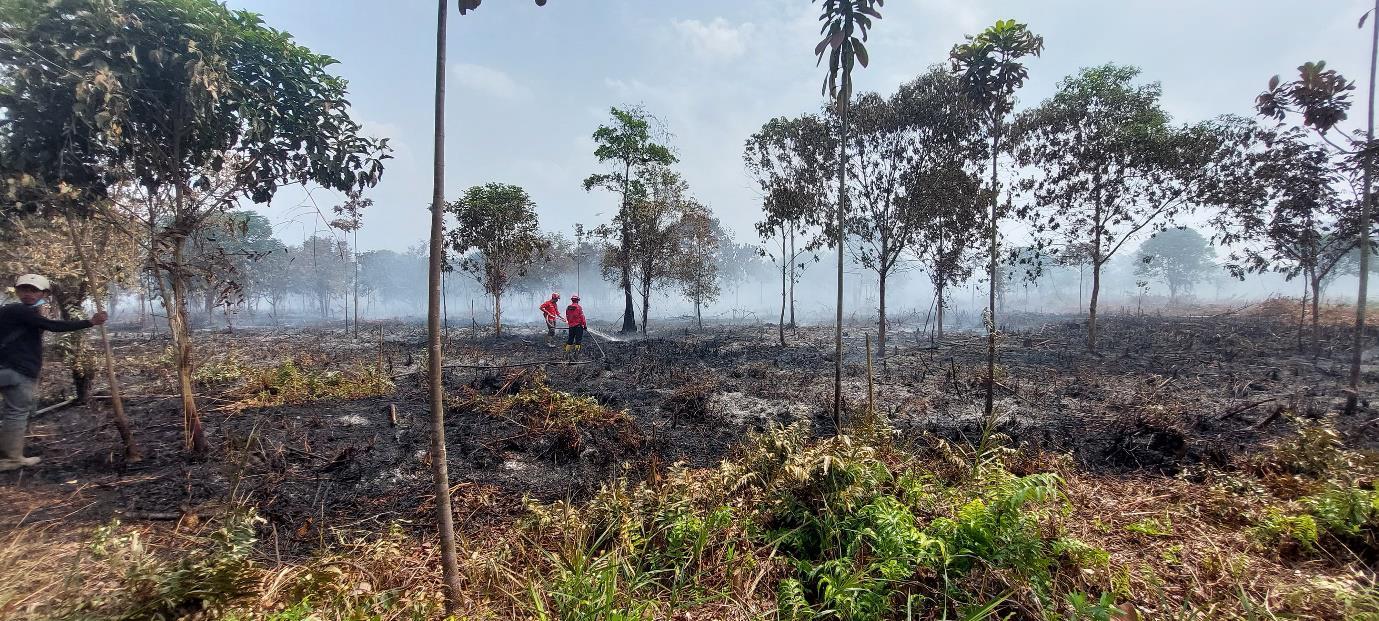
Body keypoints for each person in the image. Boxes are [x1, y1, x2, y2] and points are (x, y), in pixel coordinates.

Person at [0, 274, 106, 471]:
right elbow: (54, 326)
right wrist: (90, 322)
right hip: (18, 371)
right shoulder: (22, 311)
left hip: (6, 368)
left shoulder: (8, 311)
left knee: (11, 412)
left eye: (34, 290)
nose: (28, 294)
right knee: (16, 413)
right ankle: (11, 459)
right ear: (17, 291)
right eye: (24, 290)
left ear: (44, 294)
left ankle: (10, 455)